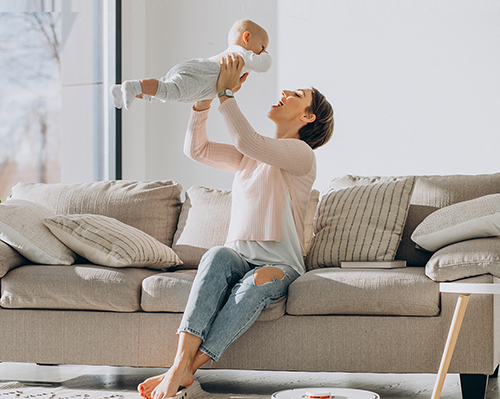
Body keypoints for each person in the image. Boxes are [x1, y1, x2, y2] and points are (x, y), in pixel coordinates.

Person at [138, 53, 334, 399]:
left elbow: (250, 142)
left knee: (256, 283)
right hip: (238, 256)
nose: (286, 91)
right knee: (215, 256)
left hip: (279, 266)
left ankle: (185, 370)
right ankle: (178, 366)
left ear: (308, 116)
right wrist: (204, 97)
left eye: (298, 94)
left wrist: (227, 94)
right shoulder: (250, 157)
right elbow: (195, 149)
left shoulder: (302, 154)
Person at [111, 19, 271, 110]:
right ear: (247, 37)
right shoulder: (242, 54)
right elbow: (265, 65)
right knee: (168, 91)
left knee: (161, 93)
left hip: (198, 72)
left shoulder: (234, 52)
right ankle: (133, 86)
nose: (262, 52)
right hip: (204, 75)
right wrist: (265, 55)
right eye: (263, 47)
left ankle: (121, 91)